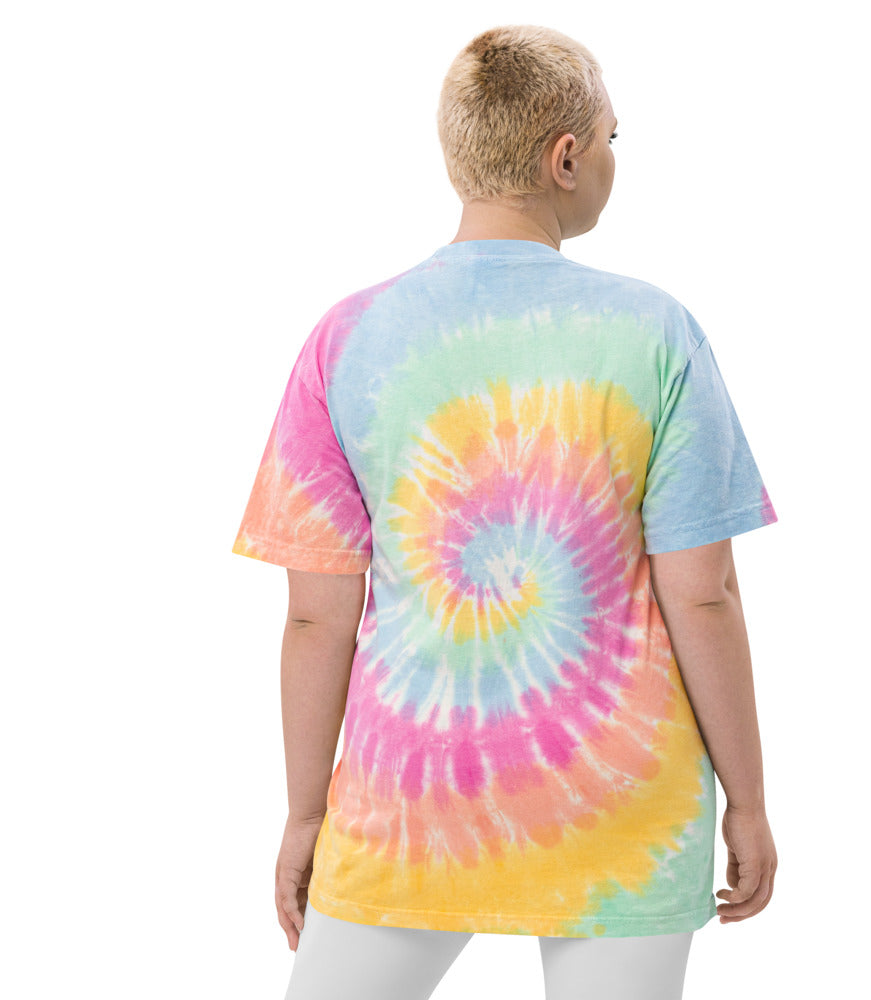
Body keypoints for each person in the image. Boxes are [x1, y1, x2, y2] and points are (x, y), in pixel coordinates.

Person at [233, 23, 779, 1000]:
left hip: (405, 809)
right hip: (624, 810)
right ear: (565, 158)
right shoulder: (657, 332)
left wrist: (307, 813)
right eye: (612, 138)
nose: (613, 158)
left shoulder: (347, 338)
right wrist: (747, 799)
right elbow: (704, 595)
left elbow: (317, 615)